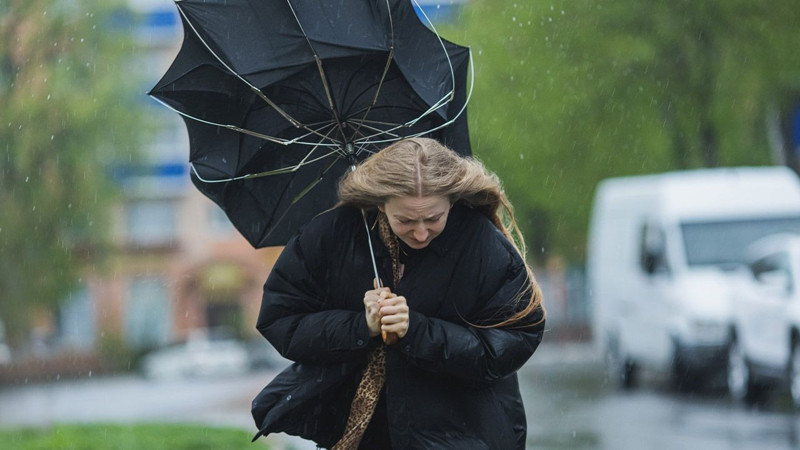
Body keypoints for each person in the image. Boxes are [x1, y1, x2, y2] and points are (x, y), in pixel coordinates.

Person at [252, 137, 545, 449]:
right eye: (405, 220)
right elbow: (282, 321)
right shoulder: (330, 236)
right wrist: (360, 326)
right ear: (381, 203)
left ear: (451, 201)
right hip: (364, 437)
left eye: (433, 218)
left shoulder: (481, 243)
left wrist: (417, 331)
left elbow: (511, 342)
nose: (420, 232)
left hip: (462, 435)